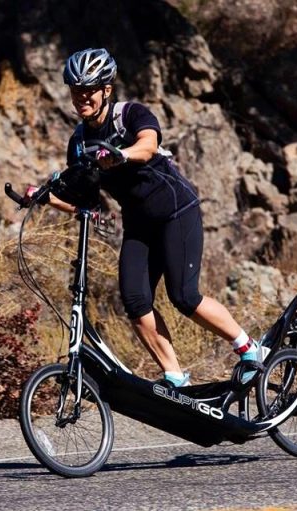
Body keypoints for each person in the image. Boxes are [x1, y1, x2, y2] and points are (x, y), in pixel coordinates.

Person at [27, 48, 260, 387]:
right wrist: (44, 198)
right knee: (136, 301)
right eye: (75, 90)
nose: (82, 97)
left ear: (106, 89)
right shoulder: (78, 142)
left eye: (89, 89)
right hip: (139, 223)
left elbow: (148, 145)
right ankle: (175, 376)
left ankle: (249, 348)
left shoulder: (130, 115)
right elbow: (83, 200)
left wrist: (121, 154)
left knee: (183, 296)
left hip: (176, 210)